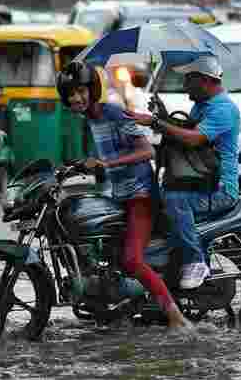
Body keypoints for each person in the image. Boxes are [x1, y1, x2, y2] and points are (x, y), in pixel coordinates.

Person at [55, 61, 190, 329]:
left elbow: (146, 151)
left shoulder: (114, 113)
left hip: (140, 195)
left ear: (92, 90)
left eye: (81, 91)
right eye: (70, 94)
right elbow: (100, 158)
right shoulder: (89, 121)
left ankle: (175, 316)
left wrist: (107, 164)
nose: (76, 98)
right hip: (116, 196)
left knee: (131, 260)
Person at [128, 55, 240, 289]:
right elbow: (183, 131)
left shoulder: (223, 109)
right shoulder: (201, 106)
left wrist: (156, 123)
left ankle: (195, 261)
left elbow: (193, 139)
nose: (185, 85)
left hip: (219, 189)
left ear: (206, 80)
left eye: (189, 80)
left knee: (175, 199)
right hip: (198, 181)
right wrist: (162, 114)